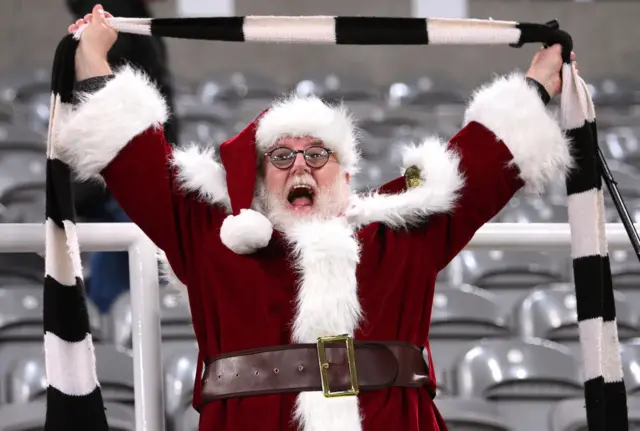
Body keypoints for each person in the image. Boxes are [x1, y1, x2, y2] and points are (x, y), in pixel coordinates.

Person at [63, 5, 577, 431]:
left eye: (317, 154)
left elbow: (478, 163)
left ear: (347, 176)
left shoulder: (398, 232)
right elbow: (138, 161)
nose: (300, 165)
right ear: (259, 181)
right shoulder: (214, 236)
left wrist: (536, 83)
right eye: (281, 158)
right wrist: (92, 55)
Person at [66, 0, 179, 313]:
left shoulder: (126, 14)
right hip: (126, 160)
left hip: (124, 159)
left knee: (122, 253)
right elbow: (107, 89)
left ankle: (113, 327)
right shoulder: (116, 14)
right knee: (143, 251)